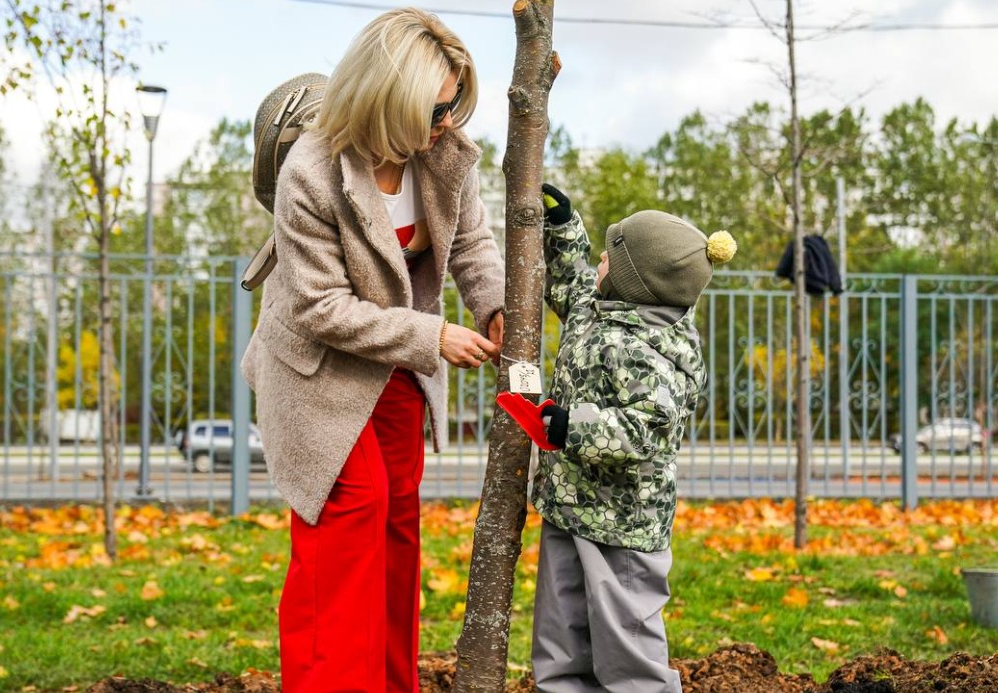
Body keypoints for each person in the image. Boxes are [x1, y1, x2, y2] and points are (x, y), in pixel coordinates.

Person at [239, 8, 505, 692]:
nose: (449, 121)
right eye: (438, 107)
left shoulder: (444, 154)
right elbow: (319, 308)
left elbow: (471, 241)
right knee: (352, 514)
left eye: (457, 104)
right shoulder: (313, 170)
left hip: (395, 367)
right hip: (320, 370)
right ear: (391, 99)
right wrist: (433, 336)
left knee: (397, 522)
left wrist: (493, 303)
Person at [501, 184, 736, 692]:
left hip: (623, 528)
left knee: (626, 648)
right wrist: (563, 226)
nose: (601, 257)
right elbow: (568, 281)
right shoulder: (599, 305)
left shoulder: (655, 353)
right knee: (561, 636)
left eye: (614, 254)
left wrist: (571, 426)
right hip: (570, 508)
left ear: (637, 282)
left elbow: (644, 429)